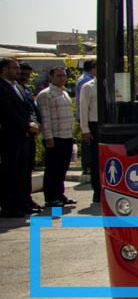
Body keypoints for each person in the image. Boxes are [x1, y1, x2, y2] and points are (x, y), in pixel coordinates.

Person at [0, 58, 40, 218]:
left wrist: (34, 123)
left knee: (23, 171)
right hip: (11, 137)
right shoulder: (1, 88)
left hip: (25, 137)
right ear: (4, 69)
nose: (18, 71)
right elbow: (8, 112)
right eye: (15, 68)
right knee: (10, 172)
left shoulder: (18, 87)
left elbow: (29, 107)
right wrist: (26, 126)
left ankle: (21, 202)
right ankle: (8, 207)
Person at [36, 66, 77, 208]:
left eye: (63, 76)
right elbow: (45, 118)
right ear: (51, 78)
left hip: (66, 136)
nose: (62, 78)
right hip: (54, 137)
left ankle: (59, 194)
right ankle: (50, 197)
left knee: (62, 168)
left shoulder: (64, 93)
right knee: (53, 168)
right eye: (58, 76)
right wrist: (48, 136)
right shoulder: (45, 95)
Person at [15, 61, 42, 213]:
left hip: (30, 133)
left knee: (27, 170)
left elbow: (32, 109)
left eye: (27, 75)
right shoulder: (10, 89)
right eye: (22, 74)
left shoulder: (25, 90)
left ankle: (27, 199)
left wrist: (35, 123)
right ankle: (17, 202)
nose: (25, 77)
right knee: (17, 172)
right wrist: (26, 126)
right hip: (17, 135)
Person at [78, 63, 100, 203]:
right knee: (96, 160)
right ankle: (97, 192)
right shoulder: (88, 86)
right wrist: (85, 129)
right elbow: (83, 109)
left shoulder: (112, 84)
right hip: (94, 125)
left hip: (107, 124)